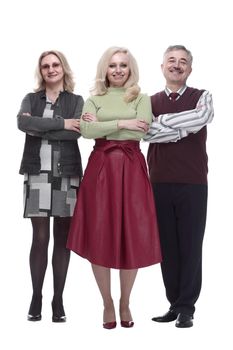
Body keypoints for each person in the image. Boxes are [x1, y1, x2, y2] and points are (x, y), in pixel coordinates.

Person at [66, 46, 162, 329]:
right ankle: (107, 302)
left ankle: (125, 301)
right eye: (112, 66)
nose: (118, 70)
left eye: (123, 65)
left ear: (130, 69)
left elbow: (141, 131)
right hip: (100, 171)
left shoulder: (142, 98)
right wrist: (123, 122)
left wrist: (105, 125)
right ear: (104, 70)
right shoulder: (93, 99)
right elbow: (86, 132)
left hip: (132, 169)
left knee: (131, 231)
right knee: (100, 232)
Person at [144, 45, 214, 328]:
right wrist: (180, 129)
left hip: (193, 182)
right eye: (171, 60)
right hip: (158, 182)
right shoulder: (148, 101)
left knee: (190, 245)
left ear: (190, 69)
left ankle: (187, 307)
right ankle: (174, 303)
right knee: (167, 247)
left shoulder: (203, 96)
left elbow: (202, 117)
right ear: (162, 67)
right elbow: (146, 131)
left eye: (182, 61)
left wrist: (162, 125)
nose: (177, 65)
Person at [17, 50, 84, 322]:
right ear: (41, 71)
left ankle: (58, 299)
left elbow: (75, 131)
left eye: (55, 64)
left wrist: (41, 126)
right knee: (40, 238)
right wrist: (60, 124)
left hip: (66, 174)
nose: (51, 69)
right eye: (45, 66)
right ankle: (36, 296)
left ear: (63, 68)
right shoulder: (31, 99)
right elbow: (23, 123)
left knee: (63, 240)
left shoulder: (77, 100)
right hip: (37, 174)